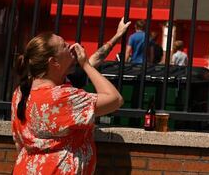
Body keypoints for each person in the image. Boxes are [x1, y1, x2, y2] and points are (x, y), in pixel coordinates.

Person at [11, 33, 123, 174]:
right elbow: (115, 99)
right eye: (64, 46)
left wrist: (115, 37)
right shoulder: (63, 97)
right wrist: (86, 65)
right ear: (54, 62)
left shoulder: (20, 93)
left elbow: (18, 143)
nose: (70, 47)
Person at [68, 17, 131, 89]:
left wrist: (118, 34)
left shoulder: (75, 72)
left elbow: (98, 56)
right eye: (65, 47)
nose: (72, 47)